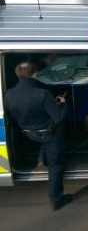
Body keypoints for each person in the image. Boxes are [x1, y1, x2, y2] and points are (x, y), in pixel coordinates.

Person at [5, 61, 72, 210]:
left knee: (46, 147)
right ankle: (56, 200)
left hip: (28, 134)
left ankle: (42, 157)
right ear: (35, 74)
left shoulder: (8, 94)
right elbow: (59, 118)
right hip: (49, 135)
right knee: (55, 167)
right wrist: (62, 104)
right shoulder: (42, 94)